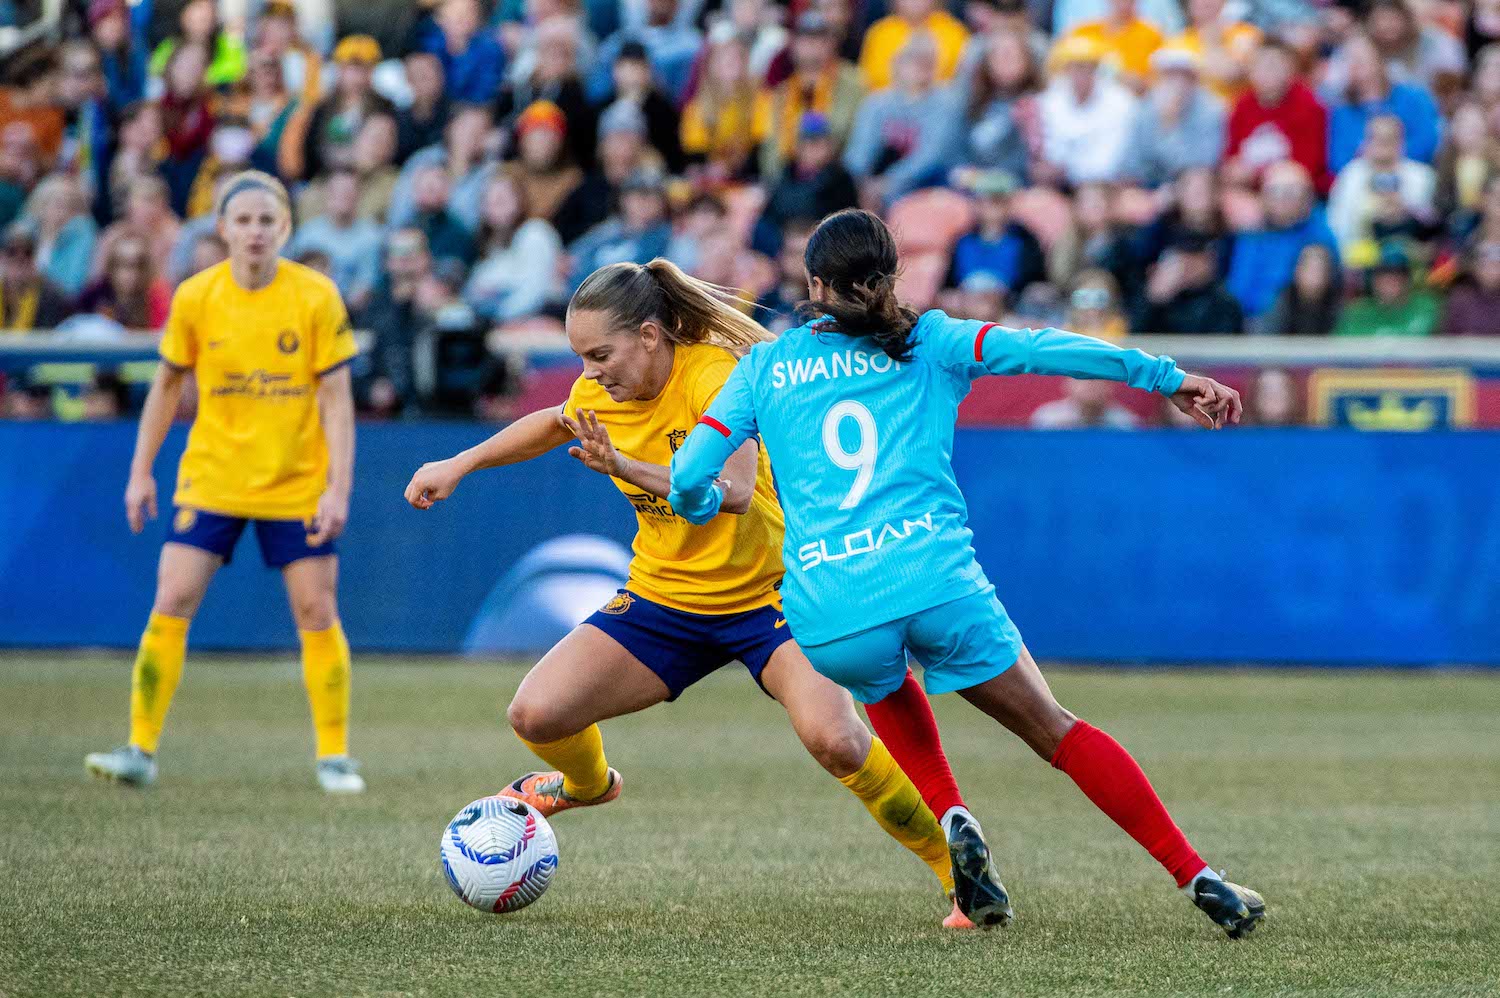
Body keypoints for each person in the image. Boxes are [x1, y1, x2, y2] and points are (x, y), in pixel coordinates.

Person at [666, 208, 1265, 939]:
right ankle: (1195, 874)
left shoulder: (763, 367)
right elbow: (1047, 348)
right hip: (936, 582)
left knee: (880, 675)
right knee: (1056, 730)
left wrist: (698, 503)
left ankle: (951, 813)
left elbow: (690, 473)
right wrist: (1164, 378)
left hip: (830, 608)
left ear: (814, 285)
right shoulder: (934, 339)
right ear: (893, 278)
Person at [404, 258, 1012, 930]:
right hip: (667, 601)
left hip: (776, 598)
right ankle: (587, 786)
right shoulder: (600, 388)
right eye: (582, 357)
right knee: (535, 715)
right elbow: (554, 421)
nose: (592, 372)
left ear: (650, 336)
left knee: (836, 740)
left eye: (601, 353)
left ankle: (958, 876)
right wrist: (459, 464)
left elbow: (733, 492)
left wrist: (622, 465)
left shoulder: (715, 376)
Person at [84, 171, 363, 795]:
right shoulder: (195, 297)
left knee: (317, 609)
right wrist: (140, 474)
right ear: (223, 229)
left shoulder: (316, 297)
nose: (256, 231)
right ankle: (140, 749)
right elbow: (165, 386)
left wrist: (337, 488)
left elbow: (338, 401)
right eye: (244, 221)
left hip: (295, 481)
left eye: (268, 220)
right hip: (212, 476)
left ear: (285, 227)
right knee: (173, 597)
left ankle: (335, 757)